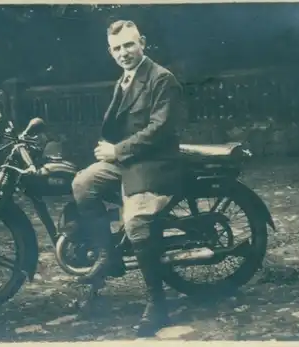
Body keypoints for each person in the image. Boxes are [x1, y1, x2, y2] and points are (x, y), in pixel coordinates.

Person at [70, 19, 185, 336]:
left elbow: (160, 130)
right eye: (117, 48)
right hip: (127, 161)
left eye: (129, 45)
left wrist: (117, 151)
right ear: (111, 52)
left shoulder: (162, 79)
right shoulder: (124, 81)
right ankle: (107, 254)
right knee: (82, 183)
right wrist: (112, 151)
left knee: (135, 223)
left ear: (142, 43)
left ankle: (157, 304)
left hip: (155, 163)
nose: (124, 52)